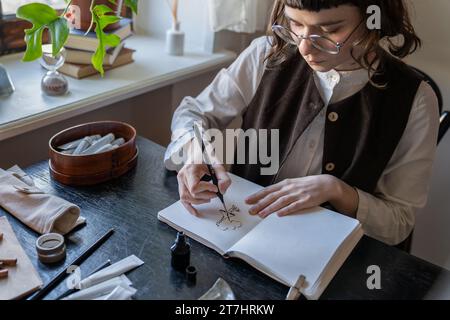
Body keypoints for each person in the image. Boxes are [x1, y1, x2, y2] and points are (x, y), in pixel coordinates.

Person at [164, 0, 440, 246]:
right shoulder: (266, 55)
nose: (305, 46)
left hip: (341, 263)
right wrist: (194, 152)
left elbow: (399, 223)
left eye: (330, 30)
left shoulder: (415, 99)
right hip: (244, 241)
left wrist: (338, 191)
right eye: (295, 23)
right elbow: (194, 112)